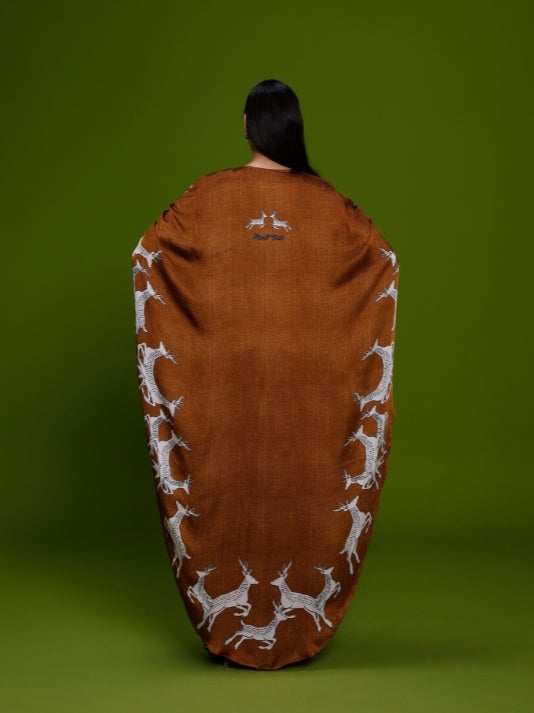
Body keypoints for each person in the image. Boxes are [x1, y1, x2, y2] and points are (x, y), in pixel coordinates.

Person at [132, 79, 399, 670]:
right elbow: (382, 260)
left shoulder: (206, 197)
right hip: (308, 388)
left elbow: (148, 255)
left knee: (225, 485)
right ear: (293, 126)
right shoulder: (330, 205)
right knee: (303, 485)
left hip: (222, 386)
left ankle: (228, 626)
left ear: (246, 125)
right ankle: (300, 626)